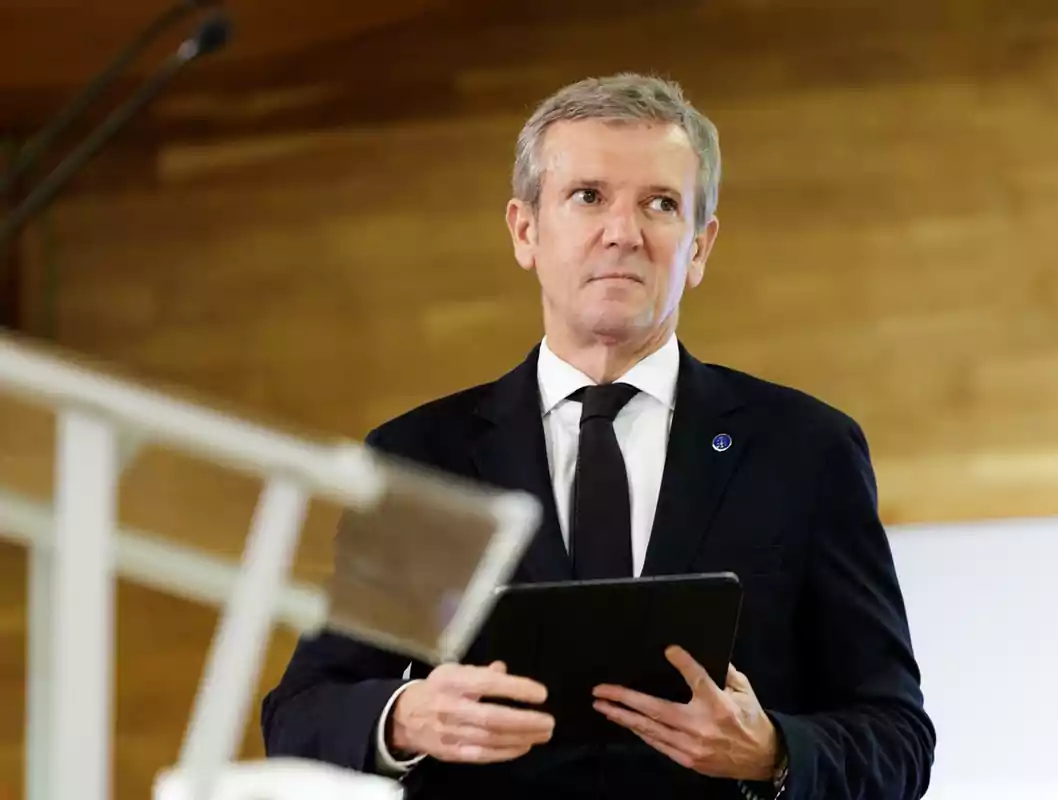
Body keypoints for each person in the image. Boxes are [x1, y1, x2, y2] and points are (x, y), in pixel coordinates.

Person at [260, 72, 935, 800]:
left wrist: (773, 751)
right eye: (588, 197)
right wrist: (403, 717)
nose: (623, 232)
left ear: (699, 247)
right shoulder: (422, 458)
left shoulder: (806, 449)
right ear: (526, 231)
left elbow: (898, 738)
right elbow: (301, 715)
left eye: (661, 204)